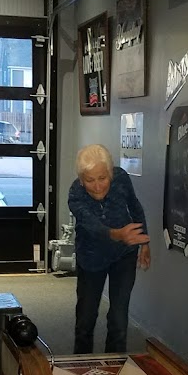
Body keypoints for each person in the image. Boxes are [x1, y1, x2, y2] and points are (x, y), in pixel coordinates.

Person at [68, 144, 150, 355]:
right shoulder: (75, 194)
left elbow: (135, 207)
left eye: (102, 178)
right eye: (90, 180)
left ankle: (115, 366)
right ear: (81, 179)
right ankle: (80, 367)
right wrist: (118, 234)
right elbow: (93, 226)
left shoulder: (121, 178)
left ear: (111, 173)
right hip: (91, 257)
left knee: (118, 318)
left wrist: (145, 242)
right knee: (86, 319)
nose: (97, 186)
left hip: (123, 255)